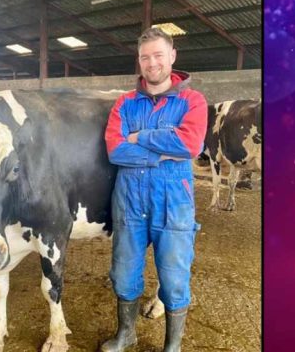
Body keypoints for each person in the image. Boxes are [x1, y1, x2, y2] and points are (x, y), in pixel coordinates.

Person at [102, 27, 208, 352]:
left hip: (174, 204)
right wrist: (162, 151)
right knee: (123, 273)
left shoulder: (193, 100)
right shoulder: (125, 103)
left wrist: (140, 137)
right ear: (139, 60)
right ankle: (126, 334)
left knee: (175, 278)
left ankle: (172, 346)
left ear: (172, 56)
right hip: (130, 203)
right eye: (145, 57)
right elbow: (114, 150)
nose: (152, 63)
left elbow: (189, 144)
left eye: (158, 55)